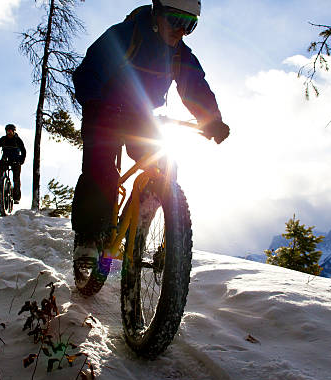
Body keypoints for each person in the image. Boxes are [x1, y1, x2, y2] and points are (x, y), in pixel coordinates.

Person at [71, 0, 230, 262]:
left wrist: (211, 120)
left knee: (165, 165)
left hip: (139, 115)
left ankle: (146, 228)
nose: (181, 30)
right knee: (100, 168)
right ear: (158, 13)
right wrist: (95, 103)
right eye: (176, 20)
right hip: (102, 107)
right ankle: (88, 237)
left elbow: (195, 86)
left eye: (190, 25)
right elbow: (89, 71)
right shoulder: (125, 35)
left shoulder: (180, 54)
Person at [0, 124, 26, 204]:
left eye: (10, 131)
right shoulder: (3, 139)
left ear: (13, 131)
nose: (9, 132)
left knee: (16, 178)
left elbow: (23, 151)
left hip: (16, 160)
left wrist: (22, 160)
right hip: (5, 159)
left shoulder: (17, 140)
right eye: (7, 131)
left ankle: (16, 197)